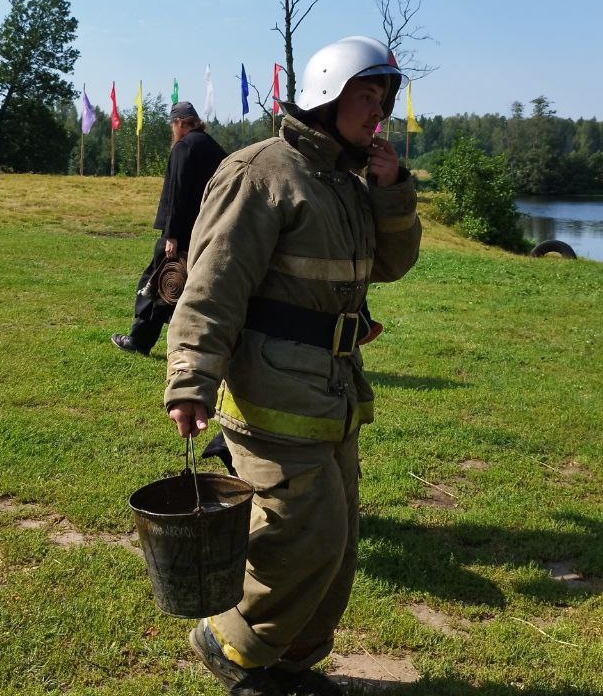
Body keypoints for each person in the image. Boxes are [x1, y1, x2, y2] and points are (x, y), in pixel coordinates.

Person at [163, 37, 421, 696]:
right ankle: (233, 651)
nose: (378, 114)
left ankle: (293, 667)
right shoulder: (261, 173)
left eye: (383, 100)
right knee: (301, 538)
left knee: (338, 546)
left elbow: (391, 266)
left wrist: (391, 194)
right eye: (367, 96)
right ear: (331, 92)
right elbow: (213, 285)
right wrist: (190, 377)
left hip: (334, 394)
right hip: (272, 392)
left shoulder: (348, 181)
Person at [111, 101, 226, 356]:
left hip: (180, 231)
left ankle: (139, 340)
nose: (173, 129)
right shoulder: (215, 149)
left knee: (156, 282)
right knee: (186, 285)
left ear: (180, 123)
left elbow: (177, 193)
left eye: (173, 124)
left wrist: (171, 234)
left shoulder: (184, 147)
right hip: (206, 229)